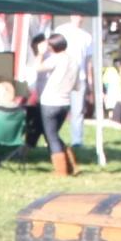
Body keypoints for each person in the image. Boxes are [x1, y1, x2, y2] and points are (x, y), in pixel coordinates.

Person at [31, 33, 78, 177]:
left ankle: (61, 170)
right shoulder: (73, 60)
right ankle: (71, 164)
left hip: (51, 101)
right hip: (65, 102)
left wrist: (40, 53)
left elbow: (37, 68)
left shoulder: (56, 59)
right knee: (54, 135)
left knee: (50, 136)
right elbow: (76, 85)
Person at [57, 15, 96, 148]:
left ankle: (77, 141)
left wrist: (90, 81)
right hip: (62, 76)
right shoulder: (61, 31)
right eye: (76, 16)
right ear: (71, 16)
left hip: (80, 77)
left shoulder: (87, 36)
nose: (79, 18)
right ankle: (53, 138)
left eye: (81, 16)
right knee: (57, 108)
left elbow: (88, 61)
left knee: (78, 110)